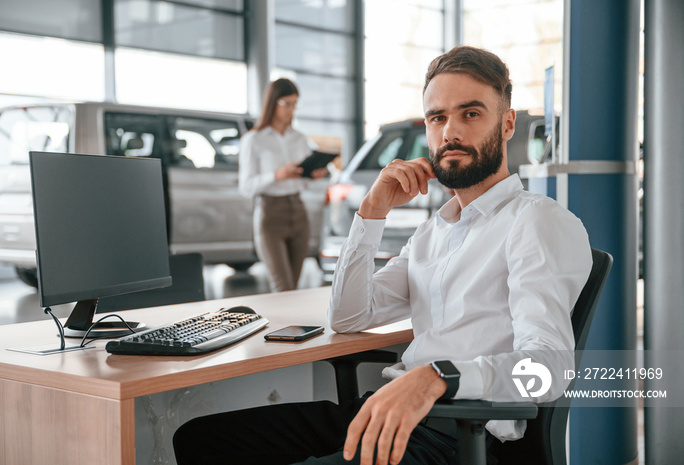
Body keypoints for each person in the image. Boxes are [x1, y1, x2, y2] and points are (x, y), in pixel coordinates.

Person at [174, 46, 592, 465]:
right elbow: (349, 317)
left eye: (470, 114)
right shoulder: (434, 232)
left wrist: (440, 378)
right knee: (201, 440)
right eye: (437, 117)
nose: (450, 133)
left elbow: (549, 368)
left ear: (507, 124)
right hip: (386, 414)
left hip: (458, 437)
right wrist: (372, 212)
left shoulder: (535, 222)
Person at [238, 78, 329, 292]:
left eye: (294, 104)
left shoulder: (299, 138)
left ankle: (293, 327)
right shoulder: (254, 139)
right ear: (272, 103)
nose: (291, 110)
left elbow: (304, 178)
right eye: (286, 104)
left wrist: (312, 175)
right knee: (283, 287)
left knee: (293, 289)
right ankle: (285, 326)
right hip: (270, 215)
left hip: (298, 212)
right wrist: (276, 175)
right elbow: (246, 186)